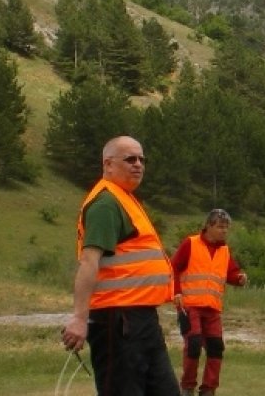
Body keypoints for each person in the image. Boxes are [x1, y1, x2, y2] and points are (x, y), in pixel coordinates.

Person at [60, 135, 181, 396]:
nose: (138, 164)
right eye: (130, 159)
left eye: (141, 159)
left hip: (142, 318)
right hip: (118, 321)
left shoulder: (125, 199)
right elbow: (89, 261)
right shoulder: (106, 203)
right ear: (108, 164)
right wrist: (80, 319)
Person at [171, 209, 248, 396]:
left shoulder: (225, 250)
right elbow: (173, 267)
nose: (224, 231)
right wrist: (176, 293)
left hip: (213, 308)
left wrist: (239, 278)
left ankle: (209, 389)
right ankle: (187, 387)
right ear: (208, 226)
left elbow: (231, 273)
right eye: (220, 227)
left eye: (226, 228)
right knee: (194, 344)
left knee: (216, 348)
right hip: (190, 305)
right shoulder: (190, 243)